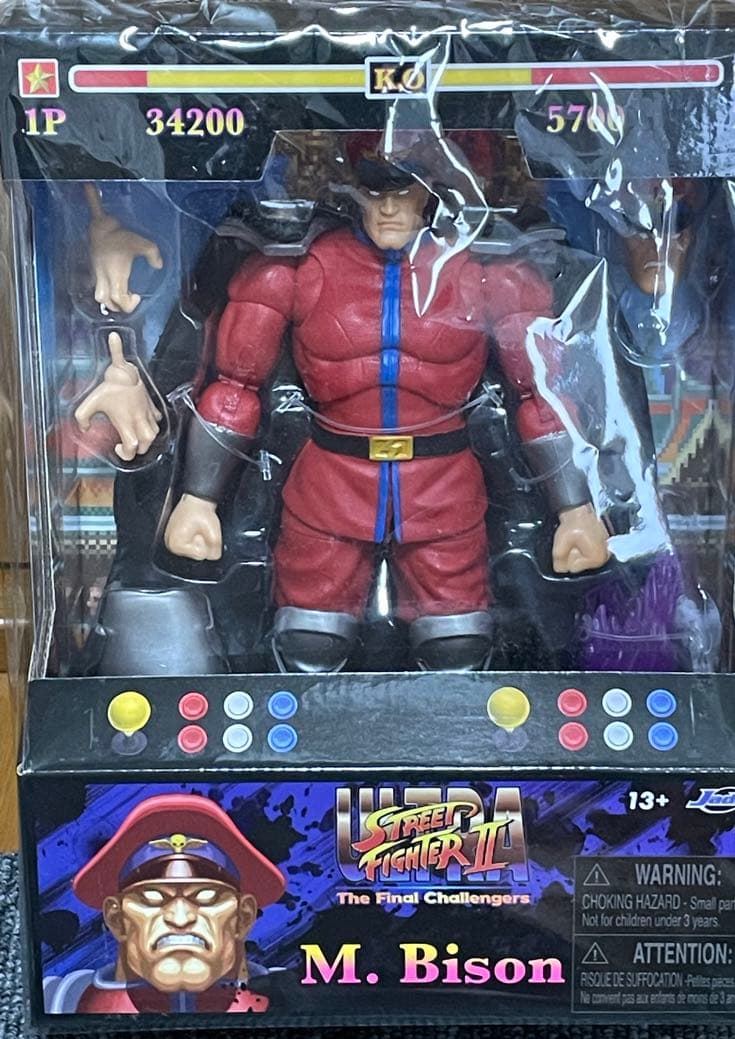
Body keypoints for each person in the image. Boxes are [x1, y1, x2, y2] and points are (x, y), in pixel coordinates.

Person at [77, 149, 611, 673]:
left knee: (458, 646)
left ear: (432, 192)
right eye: (374, 190)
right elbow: (236, 387)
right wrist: (199, 499)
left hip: (443, 487)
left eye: (404, 190)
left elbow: (541, 394)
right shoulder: (296, 270)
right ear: (350, 189)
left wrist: (575, 509)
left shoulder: (488, 275)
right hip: (329, 485)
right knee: (308, 643)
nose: (388, 208)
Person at [43, 793, 286, 1014]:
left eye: (206, 897)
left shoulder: (289, 1001)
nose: (180, 917)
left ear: (244, 916)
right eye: (152, 898)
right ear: (116, 918)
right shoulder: (61, 1002)